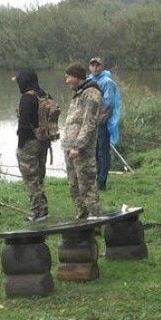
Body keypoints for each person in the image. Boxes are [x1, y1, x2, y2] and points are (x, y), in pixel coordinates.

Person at [61, 63, 103, 221]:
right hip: (70, 149)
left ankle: (95, 220)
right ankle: (81, 219)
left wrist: (78, 146)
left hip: (82, 150)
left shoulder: (91, 93)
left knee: (87, 186)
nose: (66, 81)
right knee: (74, 187)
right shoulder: (78, 93)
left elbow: (89, 123)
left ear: (76, 77)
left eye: (68, 77)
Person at [14, 69, 52, 223]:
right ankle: (44, 208)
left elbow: (23, 125)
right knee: (39, 177)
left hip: (29, 144)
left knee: (30, 179)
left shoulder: (26, 99)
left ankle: (37, 212)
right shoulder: (45, 95)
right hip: (44, 142)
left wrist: (21, 145)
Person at [88, 57, 121, 191]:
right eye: (92, 65)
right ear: (90, 67)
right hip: (91, 122)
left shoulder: (107, 82)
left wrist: (100, 120)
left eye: (98, 65)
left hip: (102, 123)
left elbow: (108, 105)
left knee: (103, 152)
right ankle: (95, 178)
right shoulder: (89, 80)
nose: (95, 68)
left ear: (102, 66)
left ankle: (102, 182)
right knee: (94, 151)